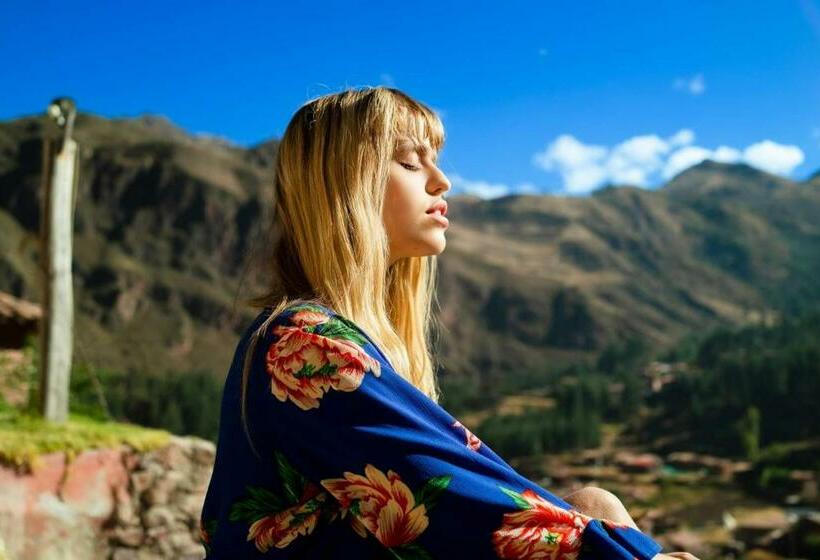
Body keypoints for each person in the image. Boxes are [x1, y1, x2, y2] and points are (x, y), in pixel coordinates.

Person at [199, 86, 699, 559]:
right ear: (347, 184)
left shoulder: (321, 333)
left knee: (595, 506)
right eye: (410, 162)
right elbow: (453, 497)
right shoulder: (306, 344)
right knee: (596, 513)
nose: (441, 181)